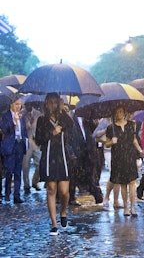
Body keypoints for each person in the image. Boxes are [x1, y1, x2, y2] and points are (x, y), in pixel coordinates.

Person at [35, 93, 75, 235]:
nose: (52, 105)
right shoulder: (42, 120)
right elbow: (38, 140)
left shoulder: (64, 119)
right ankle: (54, 223)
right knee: (51, 189)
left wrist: (64, 112)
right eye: (49, 102)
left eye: (55, 102)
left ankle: (63, 212)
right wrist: (52, 133)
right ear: (46, 104)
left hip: (63, 157)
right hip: (48, 157)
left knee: (64, 192)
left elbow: (72, 132)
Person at [104, 106, 142, 217]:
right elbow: (106, 144)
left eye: (121, 111)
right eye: (116, 112)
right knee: (123, 183)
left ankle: (133, 207)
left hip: (130, 155)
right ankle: (126, 207)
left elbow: (134, 140)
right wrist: (112, 141)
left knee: (132, 182)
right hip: (118, 157)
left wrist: (140, 150)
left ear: (124, 113)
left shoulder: (131, 125)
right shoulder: (111, 128)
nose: (119, 114)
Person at [0, 94, 28, 204]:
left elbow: (24, 131)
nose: (18, 106)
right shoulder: (6, 116)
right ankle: (7, 193)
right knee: (9, 171)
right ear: (12, 105)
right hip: (10, 146)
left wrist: (25, 142)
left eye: (20, 104)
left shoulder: (22, 116)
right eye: (16, 104)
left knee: (18, 171)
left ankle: (17, 195)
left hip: (19, 145)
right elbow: (4, 129)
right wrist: (14, 123)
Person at [71, 116, 103, 204]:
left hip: (88, 151)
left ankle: (96, 193)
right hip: (77, 151)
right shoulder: (72, 120)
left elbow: (94, 131)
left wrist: (94, 120)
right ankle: (71, 197)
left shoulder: (88, 120)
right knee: (75, 175)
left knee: (89, 174)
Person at [94, 118, 122, 208]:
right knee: (115, 174)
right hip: (109, 151)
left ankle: (115, 200)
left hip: (120, 151)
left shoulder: (122, 121)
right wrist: (106, 131)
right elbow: (95, 135)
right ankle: (108, 197)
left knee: (117, 176)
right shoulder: (106, 121)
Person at [21, 102, 42, 193]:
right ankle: (26, 185)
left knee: (40, 163)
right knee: (26, 165)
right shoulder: (21, 114)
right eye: (26, 105)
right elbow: (21, 128)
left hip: (36, 142)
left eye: (30, 105)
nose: (28, 106)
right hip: (26, 142)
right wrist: (29, 123)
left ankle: (35, 181)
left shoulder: (38, 114)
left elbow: (40, 127)